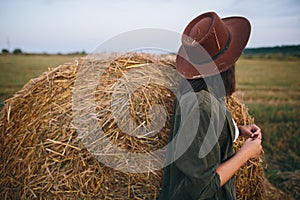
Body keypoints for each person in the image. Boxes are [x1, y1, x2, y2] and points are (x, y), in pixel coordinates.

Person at [159, 12, 263, 200]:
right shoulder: (202, 105)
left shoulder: (194, 94)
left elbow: (200, 141)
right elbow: (199, 189)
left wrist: (236, 131)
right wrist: (246, 154)